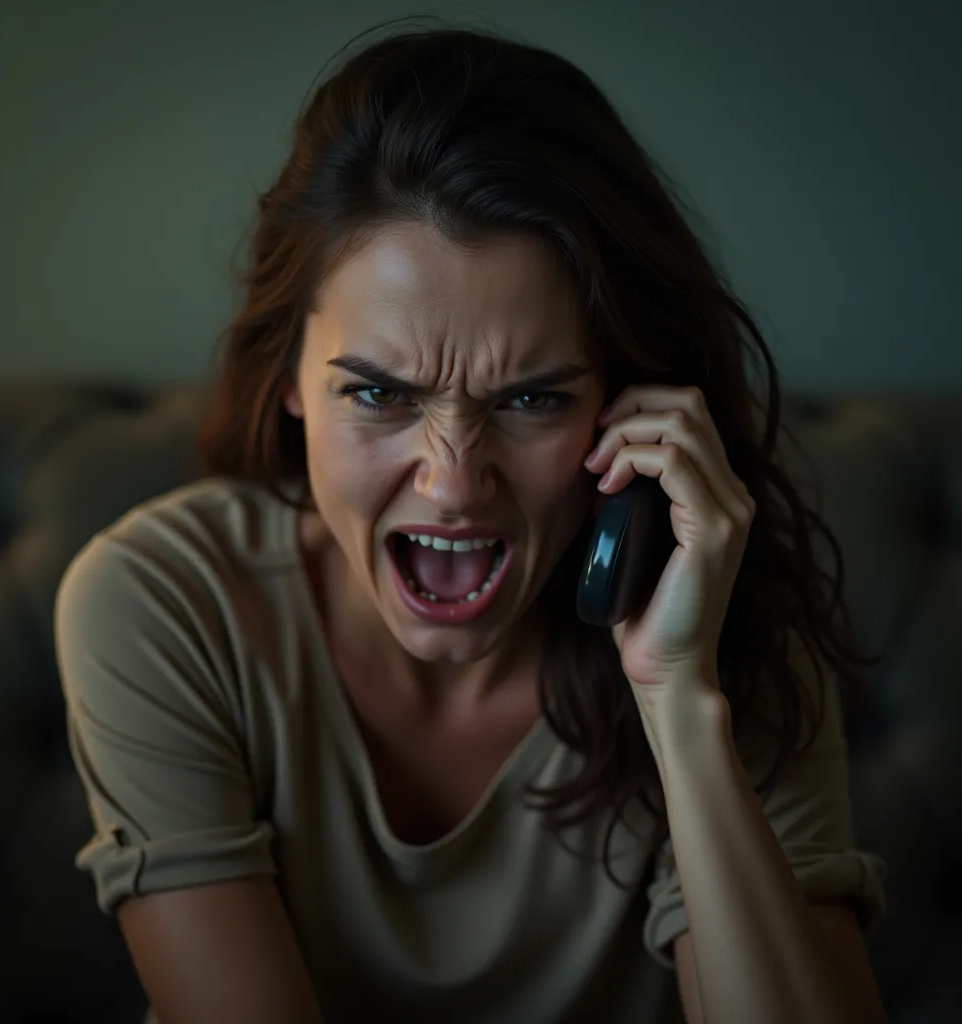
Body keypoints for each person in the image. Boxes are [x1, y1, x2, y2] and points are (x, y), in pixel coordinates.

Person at [55, 19, 888, 1024]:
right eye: (378, 395)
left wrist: (679, 702)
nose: (452, 485)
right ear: (286, 379)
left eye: (530, 399)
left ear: (625, 408)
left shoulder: (715, 612)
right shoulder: (161, 603)